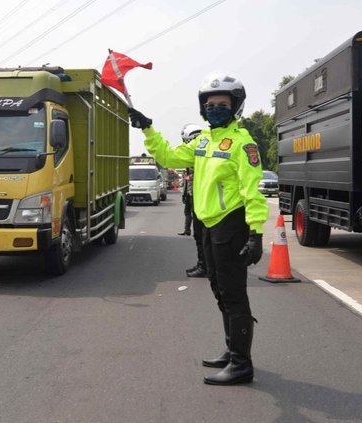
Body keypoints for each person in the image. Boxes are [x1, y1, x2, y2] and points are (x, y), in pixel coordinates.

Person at [129, 72, 269, 385]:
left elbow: (252, 191)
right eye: (210, 104)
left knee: (234, 295)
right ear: (202, 108)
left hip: (230, 224)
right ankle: (232, 349)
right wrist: (148, 128)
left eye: (222, 104)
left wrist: (256, 233)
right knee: (219, 290)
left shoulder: (243, 144)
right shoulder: (203, 140)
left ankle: (241, 365)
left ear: (236, 107)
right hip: (207, 225)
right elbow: (167, 156)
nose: (215, 108)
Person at [179, 123, 207, 278]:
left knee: (201, 235)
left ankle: (205, 266)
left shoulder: (200, 155)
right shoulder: (196, 155)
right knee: (200, 236)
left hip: (202, 201)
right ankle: (203, 264)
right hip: (195, 198)